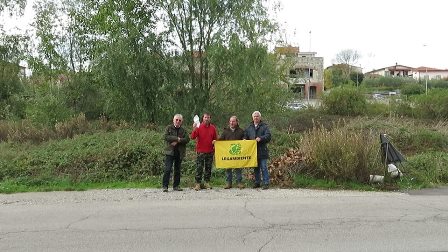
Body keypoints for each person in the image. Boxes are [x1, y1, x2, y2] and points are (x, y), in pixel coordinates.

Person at [162, 114, 190, 192]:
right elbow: (166, 137)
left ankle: (176, 186)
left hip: (179, 152)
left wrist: (178, 140)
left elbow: (187, 139)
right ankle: (165, 186)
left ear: (182, 121)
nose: (178, 121)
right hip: (169, 152)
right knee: (168, 169)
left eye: (179, 120)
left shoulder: (183, 130)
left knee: (177, 170)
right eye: (176, 120)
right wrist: (176, 138)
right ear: (173, 120)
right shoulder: (168, 128)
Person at [244, 111, 271, 190]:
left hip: (262, 150)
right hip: (253, 151)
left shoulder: (265, 126)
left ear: (260, 117)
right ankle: (257, 182)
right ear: (252, 117)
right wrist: (244, 139)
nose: (256, 117)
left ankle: (266, 183)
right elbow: (245, 135)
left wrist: (261, 138)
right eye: (254, 116)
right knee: (256, 167)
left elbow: (268, 136)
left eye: (257, 116)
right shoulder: (249, 127)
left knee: (264, 167)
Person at [191, 113, 218, 191]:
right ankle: (198, 184)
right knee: (199, 168)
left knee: (208, 168)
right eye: (205, 117)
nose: (207, 119)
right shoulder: (198, 127)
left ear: (210, 119)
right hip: (200, 151)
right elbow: (192, 137)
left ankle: (207, 182)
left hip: (210, 151)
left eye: (208, 117)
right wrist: (194, 129)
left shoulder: (213, 128)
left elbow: (216, 138)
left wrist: (215, 141)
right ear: (203, 118)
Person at [218, 116, 245, 189]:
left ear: (236, 122)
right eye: (230, 121)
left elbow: (245, 140)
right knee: (228, 169)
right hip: (228, 153)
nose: (231, 123)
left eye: (233, 121)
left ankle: (239, 183)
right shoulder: (225, 131)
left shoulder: (241, 131)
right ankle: (228, 183)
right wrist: (216, 142)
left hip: (238, 154)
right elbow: (221, 140)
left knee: (238, 168)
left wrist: (245, 140)